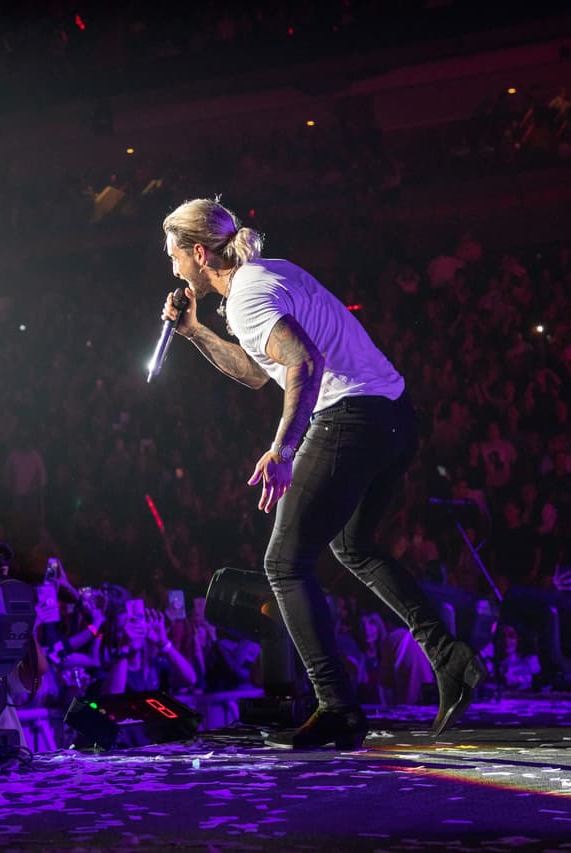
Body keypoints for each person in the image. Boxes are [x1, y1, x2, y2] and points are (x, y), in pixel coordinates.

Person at [160, 198, 485, 749]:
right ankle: (449, 656)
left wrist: (283, 449)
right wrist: (193, 332)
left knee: (284, 564)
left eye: (174, 256)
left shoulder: (247, 295)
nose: (172, 268)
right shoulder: (265, 277)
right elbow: (258, 372)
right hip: (394, 416)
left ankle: (337, 707)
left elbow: (303, 363)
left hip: (350, 418)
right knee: (354, 546)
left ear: (199, 253)